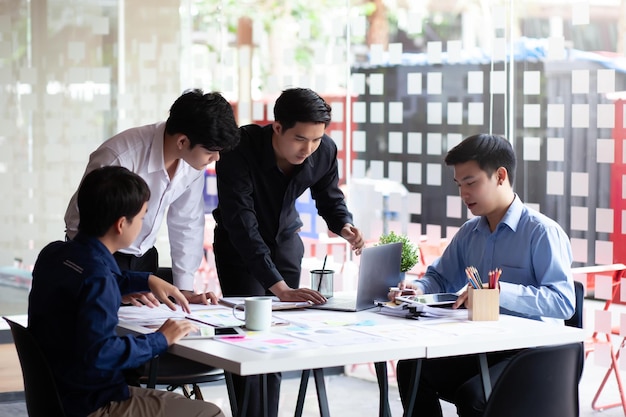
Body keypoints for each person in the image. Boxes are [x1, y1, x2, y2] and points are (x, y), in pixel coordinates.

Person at [393, 133, 576, 417]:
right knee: (412, 368)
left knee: (474, 397)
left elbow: (563, 303)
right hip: (484, 346)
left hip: (532, 354)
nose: (463, 194)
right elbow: (440, 278)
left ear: (500, 176)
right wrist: (416, 289)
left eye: (471, 183)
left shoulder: (541, 233)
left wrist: (500, 291)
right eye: (459, 185)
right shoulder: (470, 233)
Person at [212, 87, 365, 417]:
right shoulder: (238, 148)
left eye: (315, 139)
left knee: (278, 343)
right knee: (250, 341)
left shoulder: (322, 151)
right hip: (240, 249)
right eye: (300, 139)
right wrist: (279, 288)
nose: (308, 149)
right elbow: (240, 221)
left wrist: (344, 226)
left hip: (284, 245)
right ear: (277, 127)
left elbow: (329, 197)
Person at [28, 166, 224, 417]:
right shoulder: (98, 280)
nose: (143, 225)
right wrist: (161, 338)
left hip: (55, 394)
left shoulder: (53, 254)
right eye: (142, 218)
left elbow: (82, 282)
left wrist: (145, 280)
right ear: (121, 224)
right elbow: (103, 355)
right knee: (211, 413)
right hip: (94, 404)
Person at [64, 88, 240, 305]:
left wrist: (184, 289)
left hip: (144, 260)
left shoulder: (193, 163)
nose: (216, 158)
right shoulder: (120, 156)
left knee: (144, 327)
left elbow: (186, 223)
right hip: (100, 258)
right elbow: (79, 224)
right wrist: (105, 279)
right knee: (106, 329)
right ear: (183, 142)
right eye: (211, 151)